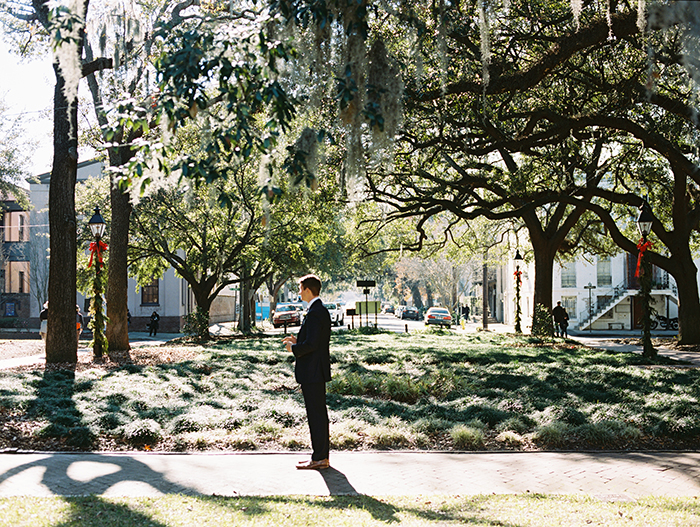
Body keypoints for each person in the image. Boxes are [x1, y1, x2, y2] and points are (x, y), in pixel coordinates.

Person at [283, 274, 332, 470]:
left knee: (316, 415)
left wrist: (293, 349)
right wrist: (297, 342)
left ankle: (320, 457)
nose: (299, 292)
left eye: (300, 288)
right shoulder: (318, 311)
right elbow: (315, 342)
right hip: (316, 371)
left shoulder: (314, 313)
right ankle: (319, 456)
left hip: (312, 372)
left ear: (308, 290)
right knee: (317, 414)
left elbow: (312, 345)